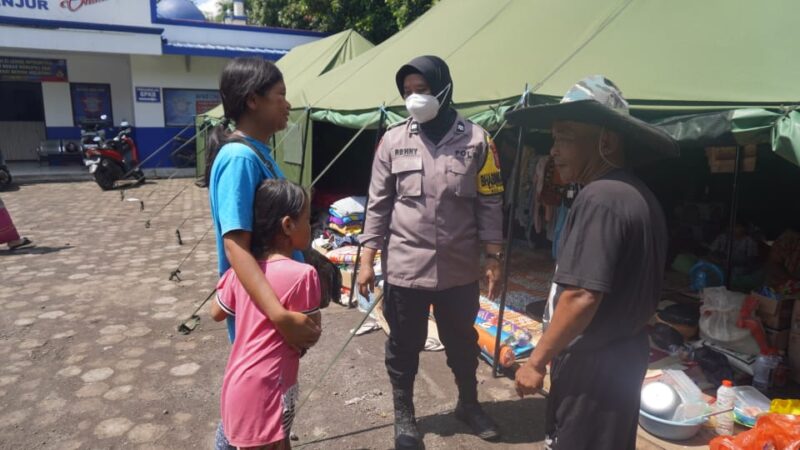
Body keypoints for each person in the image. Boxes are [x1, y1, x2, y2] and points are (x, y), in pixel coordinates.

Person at [507, 75, 677, 450]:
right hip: (621, 358)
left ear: (607, 140)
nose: (553, 149)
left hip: (595, 367)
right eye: (553, 137)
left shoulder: (601, 198)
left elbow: (582, 294)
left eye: (565, 135)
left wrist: (536, 362)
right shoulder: (635, 194)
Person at [357, 55, 505, 449]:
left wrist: (493, 256)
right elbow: (378, 203)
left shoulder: (478, 140)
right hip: (406, 268)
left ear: (443, 88)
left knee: (461, 341)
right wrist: (367, 258)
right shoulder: (392, 140)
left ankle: (468, 404)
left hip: (459, 271)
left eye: (421, 90)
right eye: (407, 92)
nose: (414, 99)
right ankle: (404, 414)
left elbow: (490, 201)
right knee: (404, 345)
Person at [206, 57, 320, 449]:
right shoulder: (239, 159)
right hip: (265, 317)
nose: (287, 104)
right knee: (253, 416)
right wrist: (281, 315)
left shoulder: (257, 152)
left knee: (258, 419)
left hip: (272, 315)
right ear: (253, 100)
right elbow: (236, 245)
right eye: (281, 96)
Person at [211, 179, 321, 450]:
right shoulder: (303, 274)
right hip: (269, 391)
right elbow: (310, 334)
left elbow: (216, 312)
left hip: (238, 384)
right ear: (288, 225)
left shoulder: (240, 273)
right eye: (307, 219)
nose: (311, 225)